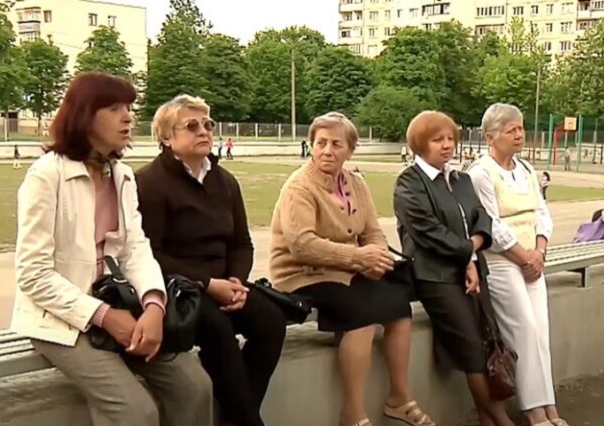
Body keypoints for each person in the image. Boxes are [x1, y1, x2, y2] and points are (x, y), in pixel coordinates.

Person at [12, 72, 213, 426]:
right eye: (114, 108)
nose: (128, 117)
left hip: (119, 305)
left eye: (129, 108)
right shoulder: (46, 175)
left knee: (194, 388)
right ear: (85, 115)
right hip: (59, 320)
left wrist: (154, 304)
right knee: (135, 411)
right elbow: (33, 274)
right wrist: (103, 315)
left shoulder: (121, 175)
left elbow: (135, 248)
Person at [269, 111, 434, 426]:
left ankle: (399, 398)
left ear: (350, 150)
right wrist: (358, 258)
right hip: (302, 274)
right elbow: (302, 245)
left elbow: (372, 232)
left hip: (346, 270)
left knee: (399, 307)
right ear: (311, 145)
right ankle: (353, 412)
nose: (327, 151)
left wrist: (378, 257)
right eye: (320, 143)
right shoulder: (299, 187)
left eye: (336, 144)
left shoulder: (355, 183)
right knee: (362, 316)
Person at [136, 94, 286, 426]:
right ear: (166, 138)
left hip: (224, 283)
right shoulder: (149, 183)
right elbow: (149, 254)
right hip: (178, 288)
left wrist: (236, 281)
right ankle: (248, 421)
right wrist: (207, 284)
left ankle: (236, 416)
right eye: (191, 126)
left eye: (208, 124)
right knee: (218, 329)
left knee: (271, 321)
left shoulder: (225, 181)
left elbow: (242, 243)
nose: (204, 131)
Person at [394, 111, 515, 426]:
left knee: (487, 342)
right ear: (420, 144)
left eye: (450, 139)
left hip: (472, 270)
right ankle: (502, 421)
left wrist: (471, 254)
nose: (447, 145)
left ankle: (488, 421)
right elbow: (427, 232)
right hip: (435, 276)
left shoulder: (461, 179)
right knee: (471, 349)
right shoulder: (409, 182)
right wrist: (467, 254)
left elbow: (481, 218)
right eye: (438, 140)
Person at [468, 103, 568, 426]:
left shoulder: (525, 169)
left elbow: (541, 212)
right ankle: (533, 411)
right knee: (522, 330)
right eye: (511, 130)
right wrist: (525, 257)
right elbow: (492, 225)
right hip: (502, 262)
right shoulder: (481, 173)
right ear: (490, 137)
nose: (519, 135)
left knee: (540, 331)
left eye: (521, 128)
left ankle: (550, 407)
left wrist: (540, 250)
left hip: (532, 260)